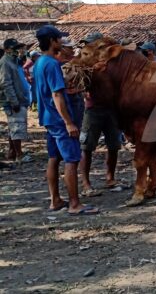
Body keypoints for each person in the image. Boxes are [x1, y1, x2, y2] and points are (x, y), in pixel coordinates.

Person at [34, 25, 98, 215]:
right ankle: (74, 204)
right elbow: (57, 95)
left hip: (48, 118)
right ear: (53, 41)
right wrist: (69, 122)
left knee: (54, 158)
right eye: (59, 39)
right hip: (59, 119)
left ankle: (55, 200)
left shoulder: (40, 62)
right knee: (71, 159)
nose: (62, 43)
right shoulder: (52, 64)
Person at [0, 39, 32, 165]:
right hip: (14, 101)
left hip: (20, 99)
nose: (16, 50)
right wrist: (14, 101)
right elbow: (5, 83)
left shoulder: (15, 61)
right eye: (14, 48)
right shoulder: (5, 63)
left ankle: (12, 152)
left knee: (14, 127)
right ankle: (19, 155)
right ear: (7, 49)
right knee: (17, 127)